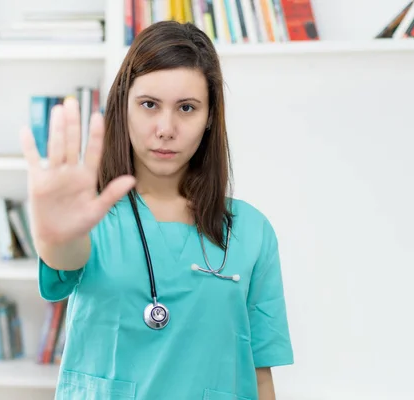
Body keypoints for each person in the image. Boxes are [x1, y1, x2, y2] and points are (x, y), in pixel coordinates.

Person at [20, 20, 293, 400]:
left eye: (187, 108)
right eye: (149, 105)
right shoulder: (94, 215)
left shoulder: (251, 231)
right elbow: (66, 253)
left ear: (210, 117)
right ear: (124, 105)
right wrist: (53, 233)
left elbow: (260, 373)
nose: (166, 128)